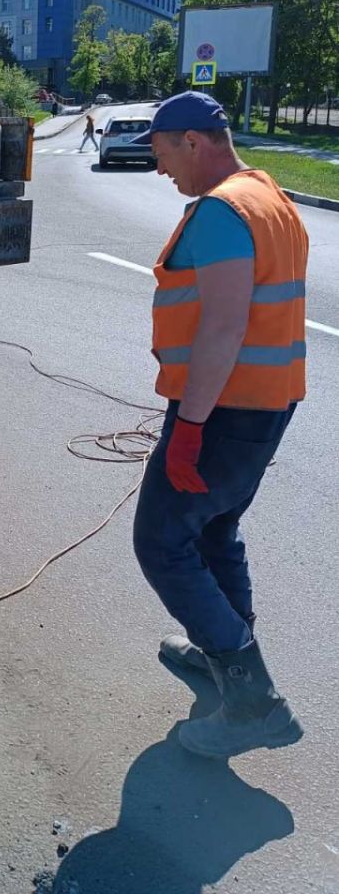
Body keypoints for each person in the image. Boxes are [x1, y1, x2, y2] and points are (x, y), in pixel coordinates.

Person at [131, 91, 307, 758]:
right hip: (266, 404)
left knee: (162, 543)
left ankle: (252, 699)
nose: (160, 169)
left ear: (192, 142)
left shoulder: (220, 211)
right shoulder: (267, 195)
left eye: (162, 153)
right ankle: (226, 655)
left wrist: (191, 427)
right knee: (213, 530)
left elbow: (225, 325)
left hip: (226, 413)